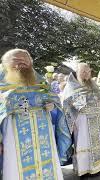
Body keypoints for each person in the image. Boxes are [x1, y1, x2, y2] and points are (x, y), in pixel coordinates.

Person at [0, 49, 72, 179]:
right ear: (6, 63)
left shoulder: (40, 81)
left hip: (42, 131)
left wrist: (52, 106)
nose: (21, 63)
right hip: (13, 134)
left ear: (30, 62)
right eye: (16, 60)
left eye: (25, 60)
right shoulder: (1, 82)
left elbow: (53, 100)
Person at [63, 63, 100, 176]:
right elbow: (68, 104)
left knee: (99, 143)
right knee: (84, 144)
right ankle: (85, 170)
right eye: (83, 71)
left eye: (88, 72)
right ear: (77, 72)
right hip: (83, 121)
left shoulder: (93, 84)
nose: (86, 74)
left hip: (98, 119)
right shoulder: (71, 86)